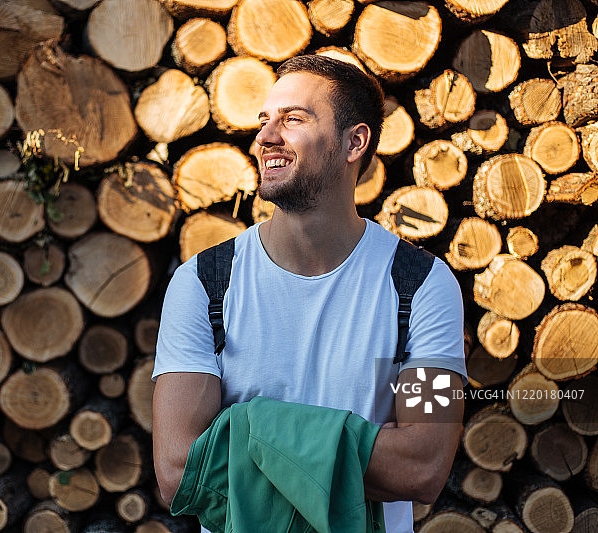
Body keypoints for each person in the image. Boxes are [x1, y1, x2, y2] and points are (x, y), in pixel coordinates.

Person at [152, 55, 466, 533]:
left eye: (293, 119)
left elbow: (423, 467)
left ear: (354, 142)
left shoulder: (425, 286)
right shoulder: (202, 283)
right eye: (264, 120)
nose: (265, 136)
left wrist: (251, 431)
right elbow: (178, 473)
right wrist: (353, 452)